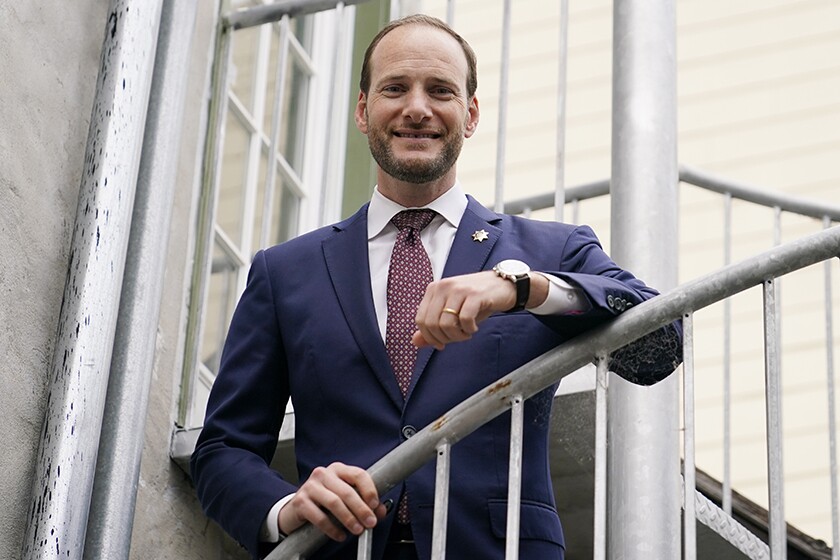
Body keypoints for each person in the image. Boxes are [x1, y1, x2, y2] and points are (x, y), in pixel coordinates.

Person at [191, 14, 681, 560]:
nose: (417, 108)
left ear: (470, 114)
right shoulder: (284, 273)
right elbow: (223, 449)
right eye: (395, 88)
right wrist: (285, 510)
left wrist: (524, 289)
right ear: (362, 110)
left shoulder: (550, 252)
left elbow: (661, 343)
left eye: (441, 90)